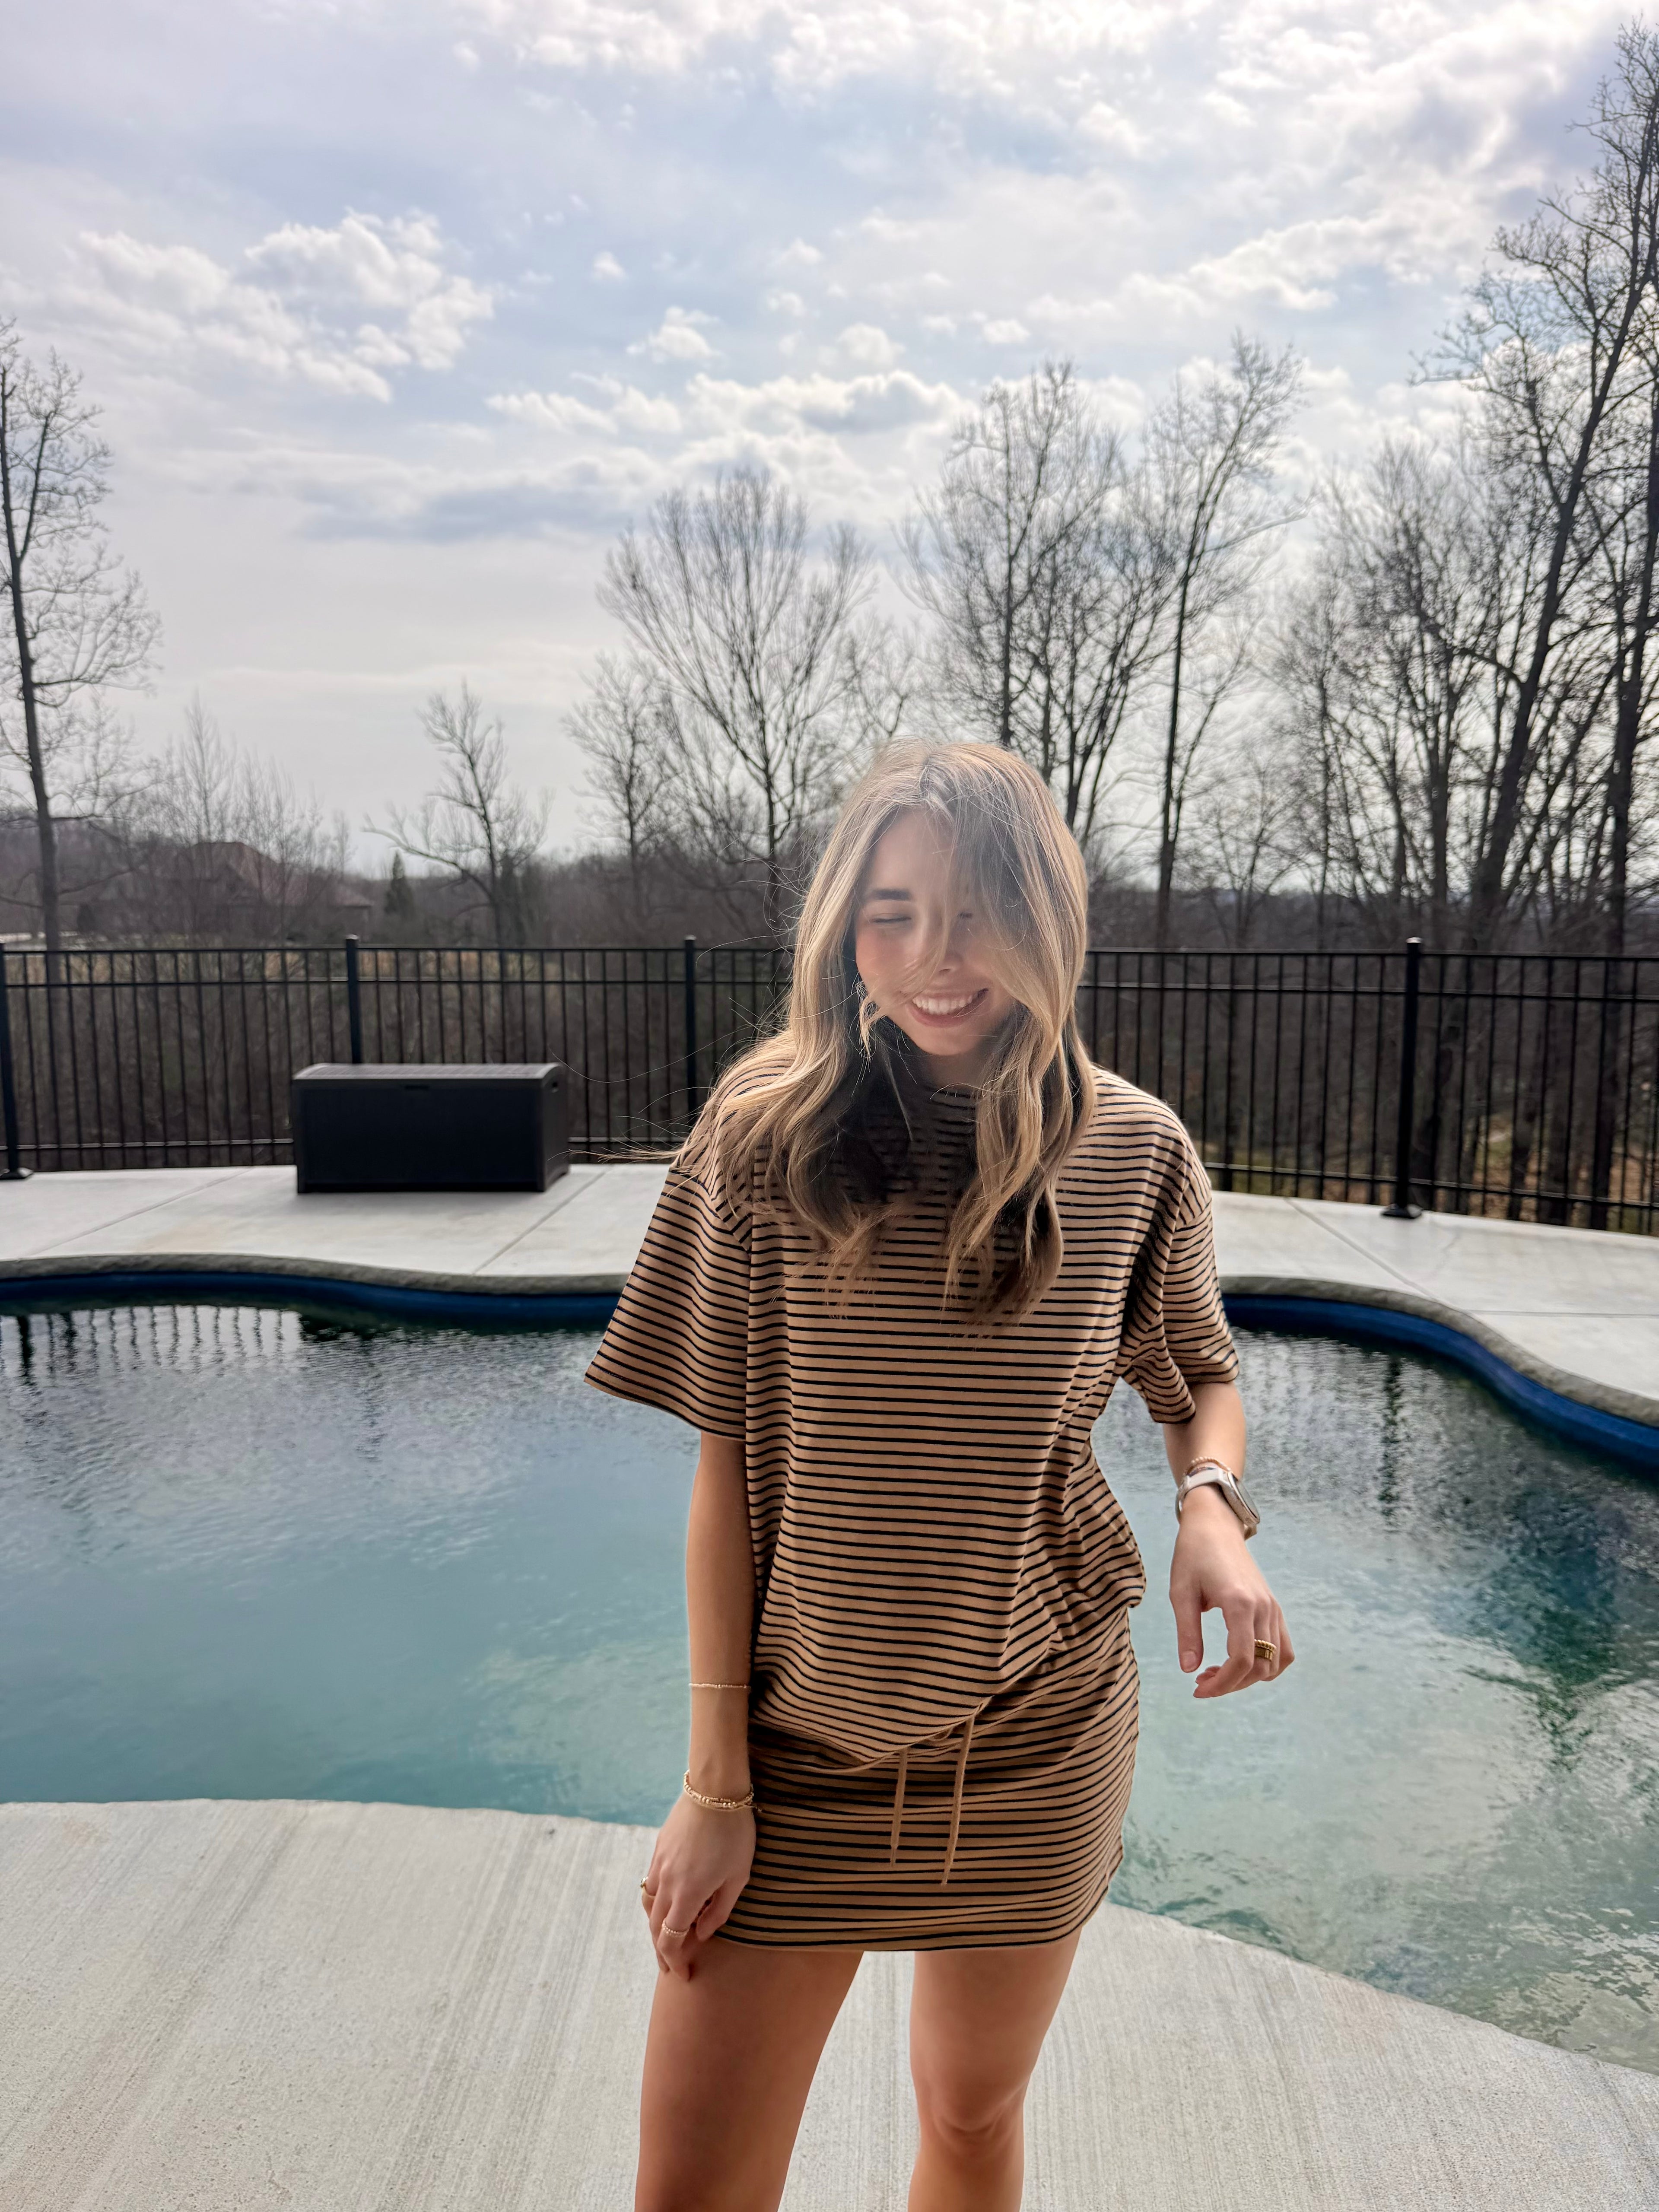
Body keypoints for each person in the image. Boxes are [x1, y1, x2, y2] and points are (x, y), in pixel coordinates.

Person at [586, 739, 1294, 2212]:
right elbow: (727, 1473)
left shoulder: (1132, 1154)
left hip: (1034, 1744)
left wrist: (1210, 1512)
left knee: (970, 2121)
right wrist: (716, 1780)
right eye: (892, 912)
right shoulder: (759, 1137)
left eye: (975, 913)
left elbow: (1197, 1374)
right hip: (792, 1756)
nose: (934, 959)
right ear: (844, 925)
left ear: (1049, 917)